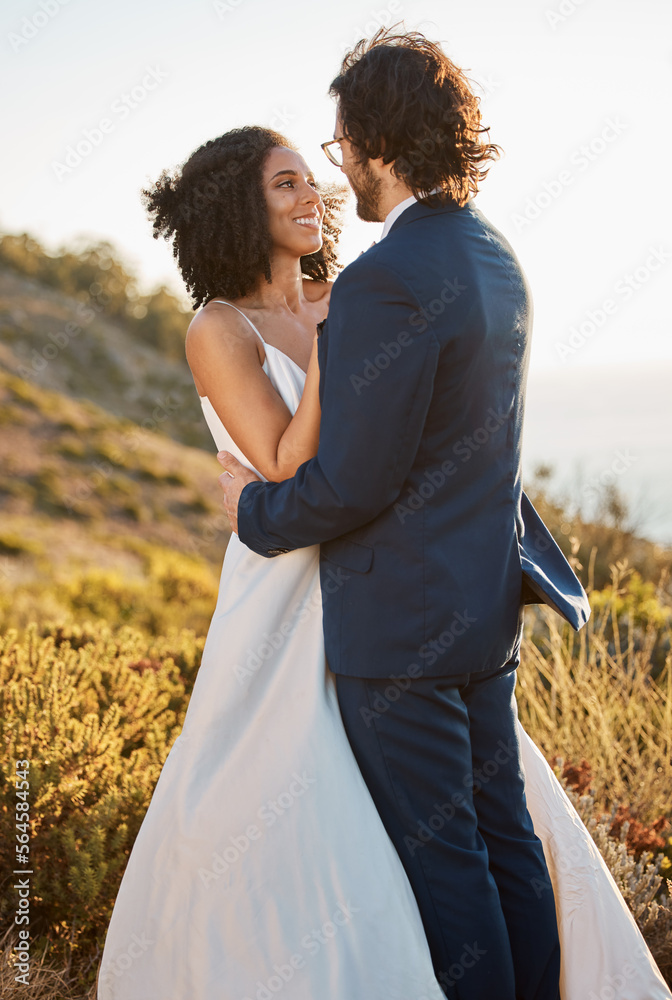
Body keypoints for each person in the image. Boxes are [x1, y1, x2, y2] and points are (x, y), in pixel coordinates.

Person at [97, 44, 670, 1000]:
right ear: (241, 205)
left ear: (374, 143)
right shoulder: (249, 319)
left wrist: (250, 507)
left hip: (384, 607)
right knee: (440, 839)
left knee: (462, 854)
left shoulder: (363, 288)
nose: (321, 182)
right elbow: (299, 454)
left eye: (327, 160)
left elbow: (336, 475)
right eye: (289, 179)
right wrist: (322, 365)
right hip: (323, 599)